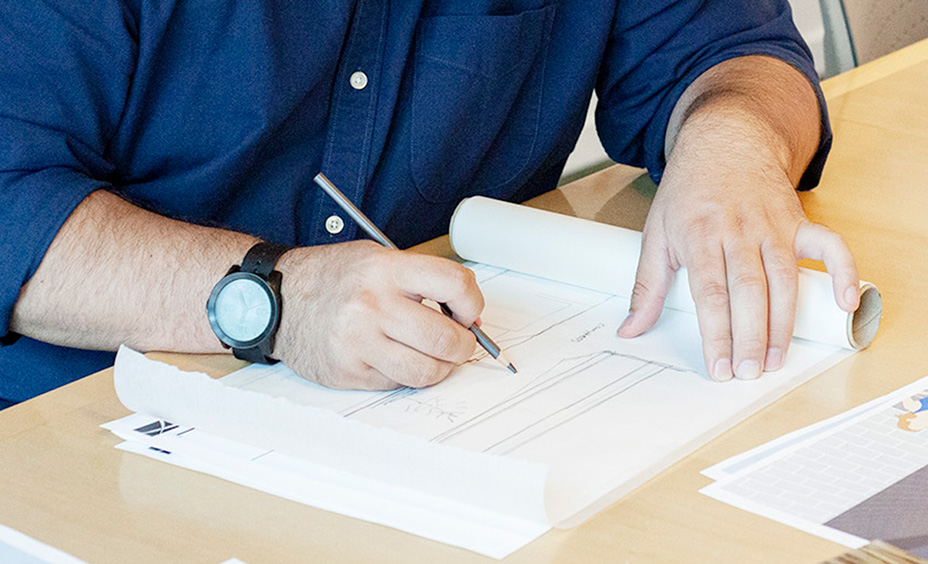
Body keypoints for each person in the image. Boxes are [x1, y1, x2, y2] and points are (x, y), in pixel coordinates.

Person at [0, 0, 860, 408]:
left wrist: (732, 143)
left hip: (442, 419)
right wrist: (277, 300)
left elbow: (731, 50)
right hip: (92, 425)